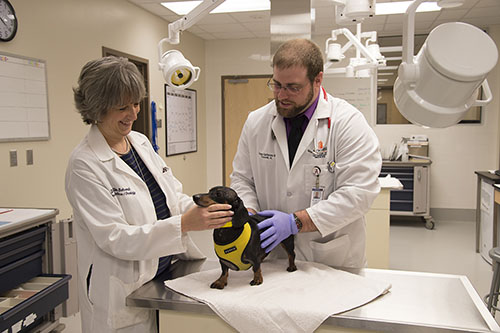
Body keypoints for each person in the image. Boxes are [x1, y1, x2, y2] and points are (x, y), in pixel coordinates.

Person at [65, 56, 233, 333]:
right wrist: (184, 224)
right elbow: (114, 238)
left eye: (136, 103)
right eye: (122, 107)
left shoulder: (139, 142)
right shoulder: (85, 164)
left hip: (164, 274)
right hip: (122, 290)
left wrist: (205, 208)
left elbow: (171, 195)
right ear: (97, 109)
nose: (133, 114)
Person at [230, 39, 382, 269]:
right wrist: (249, 213)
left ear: (318, 79)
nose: (281, 95)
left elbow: (358, 194)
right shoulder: (256, 122)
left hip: (331, 258)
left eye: (293, 87)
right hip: (273, 257)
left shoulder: (348, 122)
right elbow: (242, 179)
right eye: (277, 84)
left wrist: (295, 223)